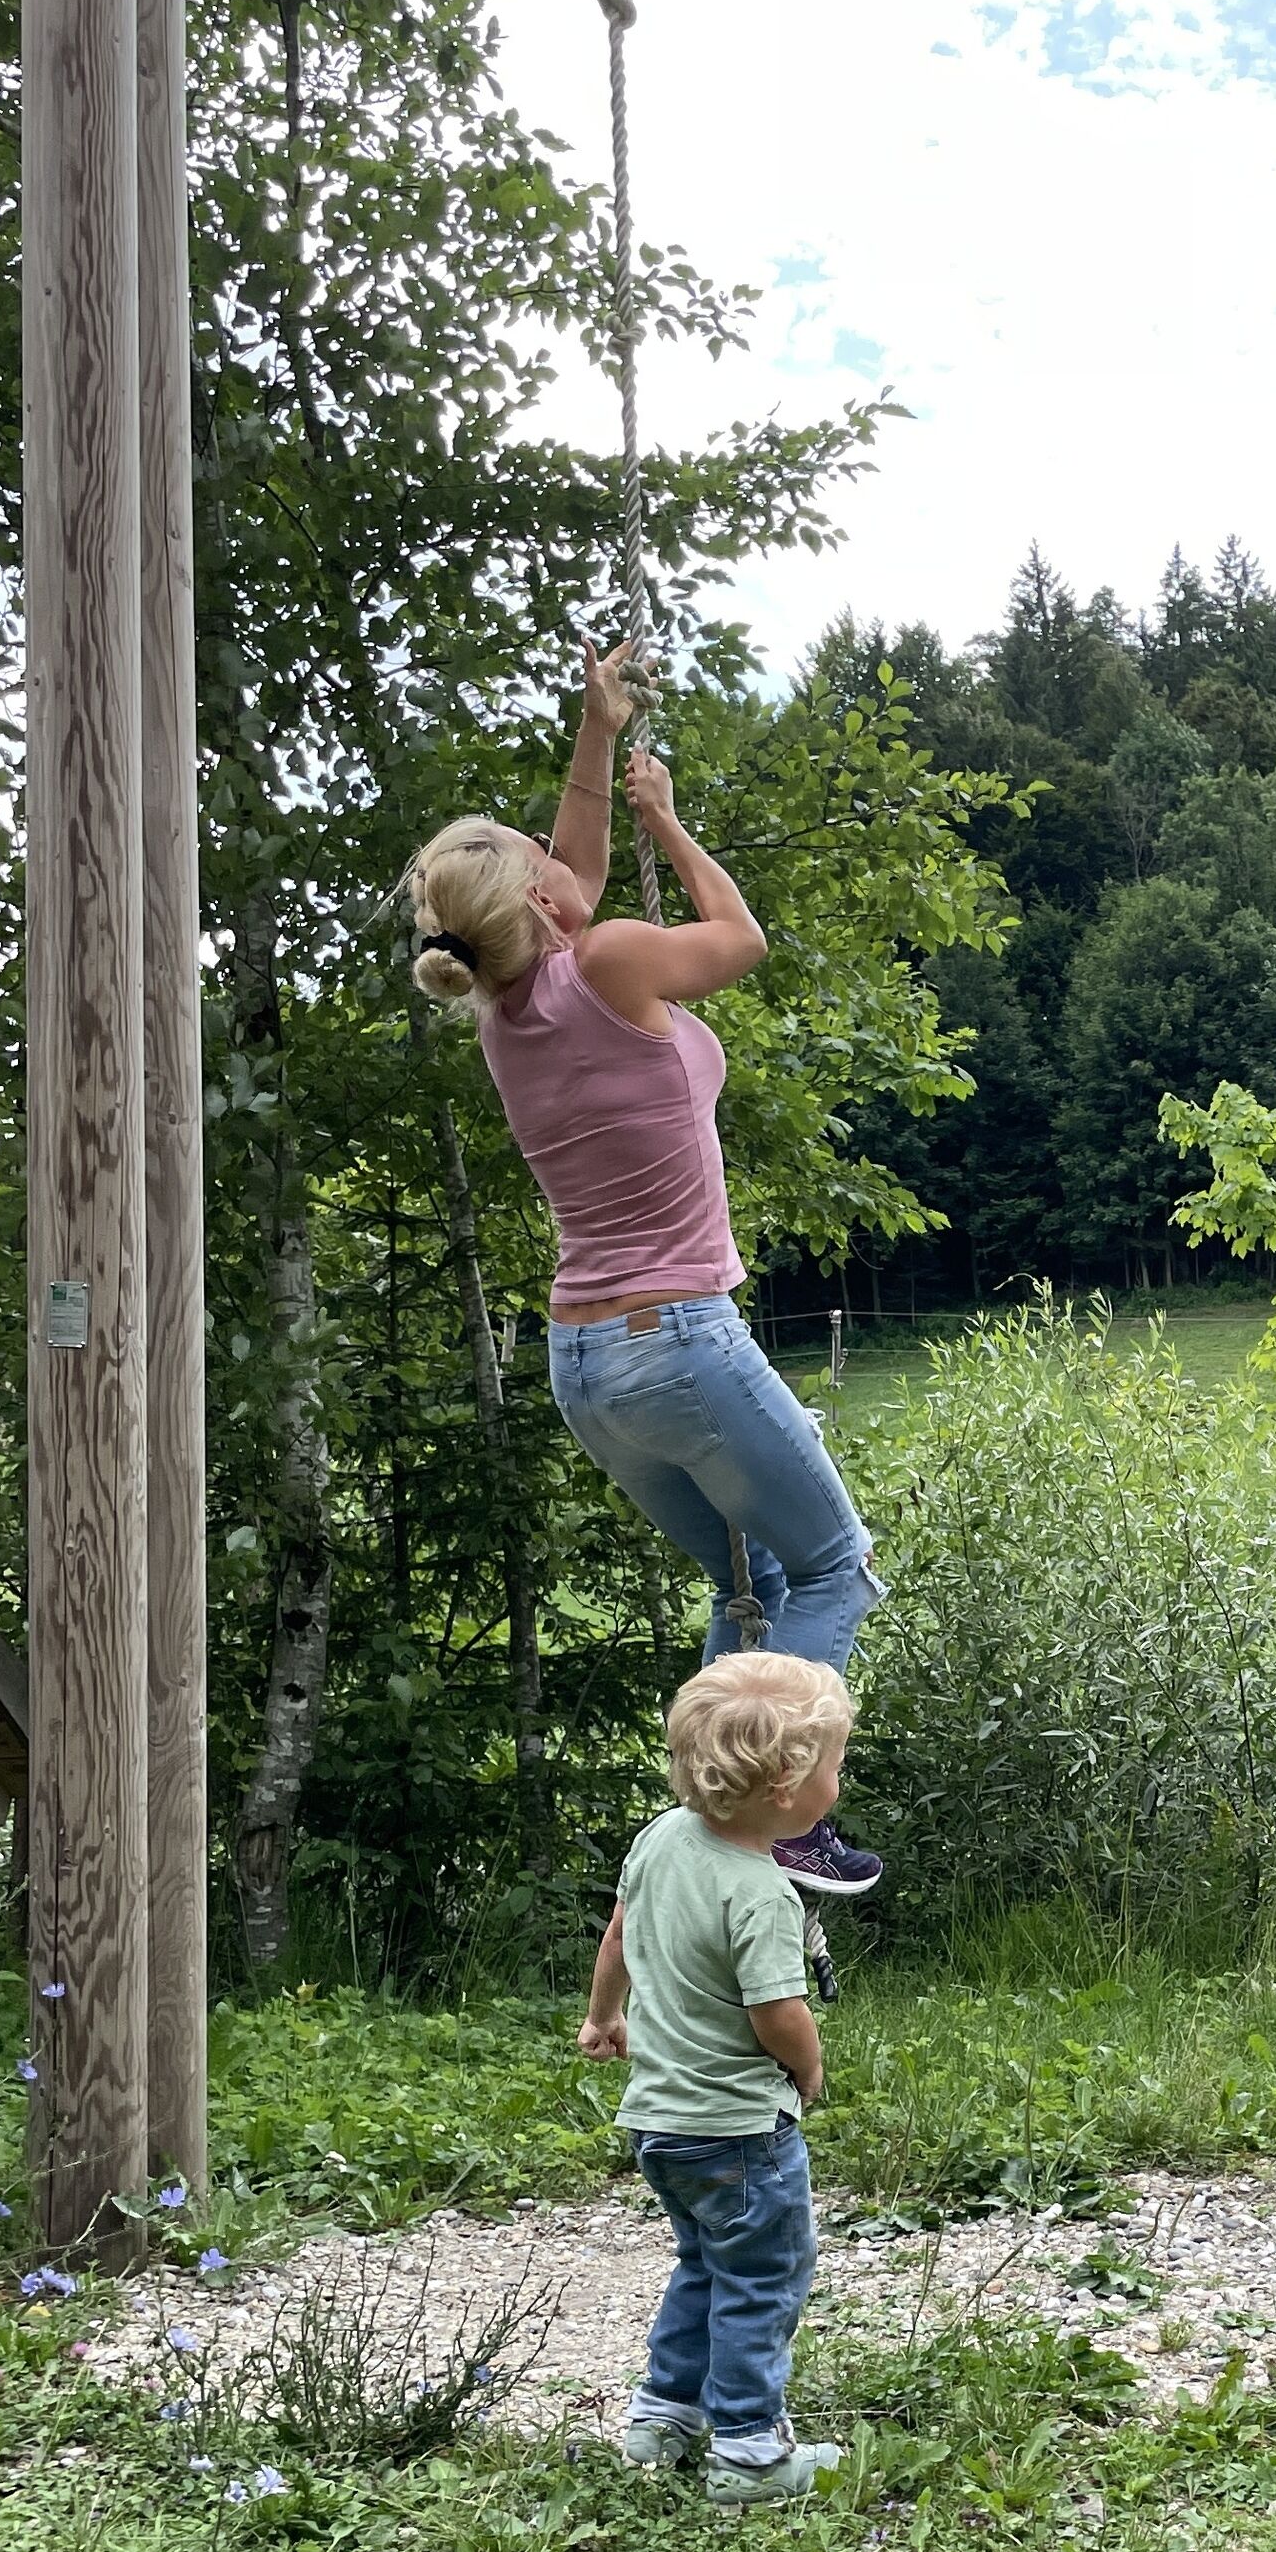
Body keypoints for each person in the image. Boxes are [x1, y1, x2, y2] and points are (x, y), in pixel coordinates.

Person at [406, 641, 882, 1899]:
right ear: (546, 906)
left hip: (584, 1364)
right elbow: (740, 937)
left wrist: (597, 730)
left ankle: (700, 1837)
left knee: (753, 1582)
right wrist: (667, 818)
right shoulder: (612, 959)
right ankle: (777, 1817)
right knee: (835, 1567)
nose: (563, 862)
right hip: (678, 1340)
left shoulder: (509, 1008)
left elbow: (578, 865)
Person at [578, 1650, 852, 2508]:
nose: (839, 1782)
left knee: (702, 2262)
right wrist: (807, 2069)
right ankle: (749, 2451)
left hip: (660, 2123)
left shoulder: (660, 1838)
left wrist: (603, 2017)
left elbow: (619, 1933)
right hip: (739, 2130)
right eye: (835, 1765)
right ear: (786, 1786)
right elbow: (778, 2013)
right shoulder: (761, 1892)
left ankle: (663, 2418)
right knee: (763, 2277)